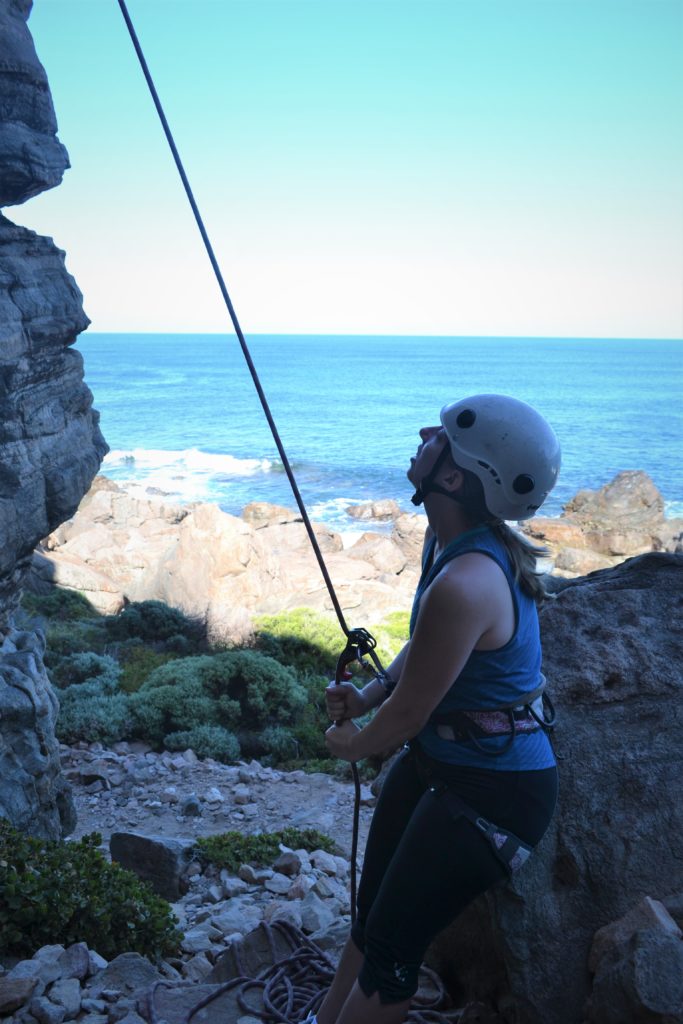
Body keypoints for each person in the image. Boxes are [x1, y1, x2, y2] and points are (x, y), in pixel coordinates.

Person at [303, 394, 562, 1024]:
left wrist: (356, 741)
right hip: (451, 763)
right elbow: (426, 648)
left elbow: (410, 716)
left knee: (393, 950)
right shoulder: (453, 542)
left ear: (453, 477)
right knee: (372, 918)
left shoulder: (466, 581)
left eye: (440, 436)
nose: (425, 434)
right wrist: (367, 696)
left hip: (496, 793)